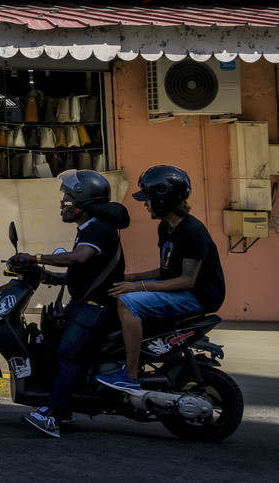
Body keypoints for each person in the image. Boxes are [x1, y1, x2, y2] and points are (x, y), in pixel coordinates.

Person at [10, 170, 128, 438]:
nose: (62, 205)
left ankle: (54, 415)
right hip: (86, 303)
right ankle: (64, 405)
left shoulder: (98, 229)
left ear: (82, 204)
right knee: (54, 347)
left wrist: (35, 258)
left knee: (67, 353)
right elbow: (82, 271)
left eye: (67, 200)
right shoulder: (89, 229)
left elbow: (79, 258)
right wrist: (47, 275)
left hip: (95, 307)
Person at [97, 165, 226, 393]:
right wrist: (128, 278)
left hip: (197, 297)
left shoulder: (192, 232)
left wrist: (135, 288)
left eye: (148, 199)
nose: (145, 204)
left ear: (163, 199)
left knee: (127, 304)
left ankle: (130, 375)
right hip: (182, 290)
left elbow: (186, 280)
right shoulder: (166, 228)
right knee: (121, 293)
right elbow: (165, 270)